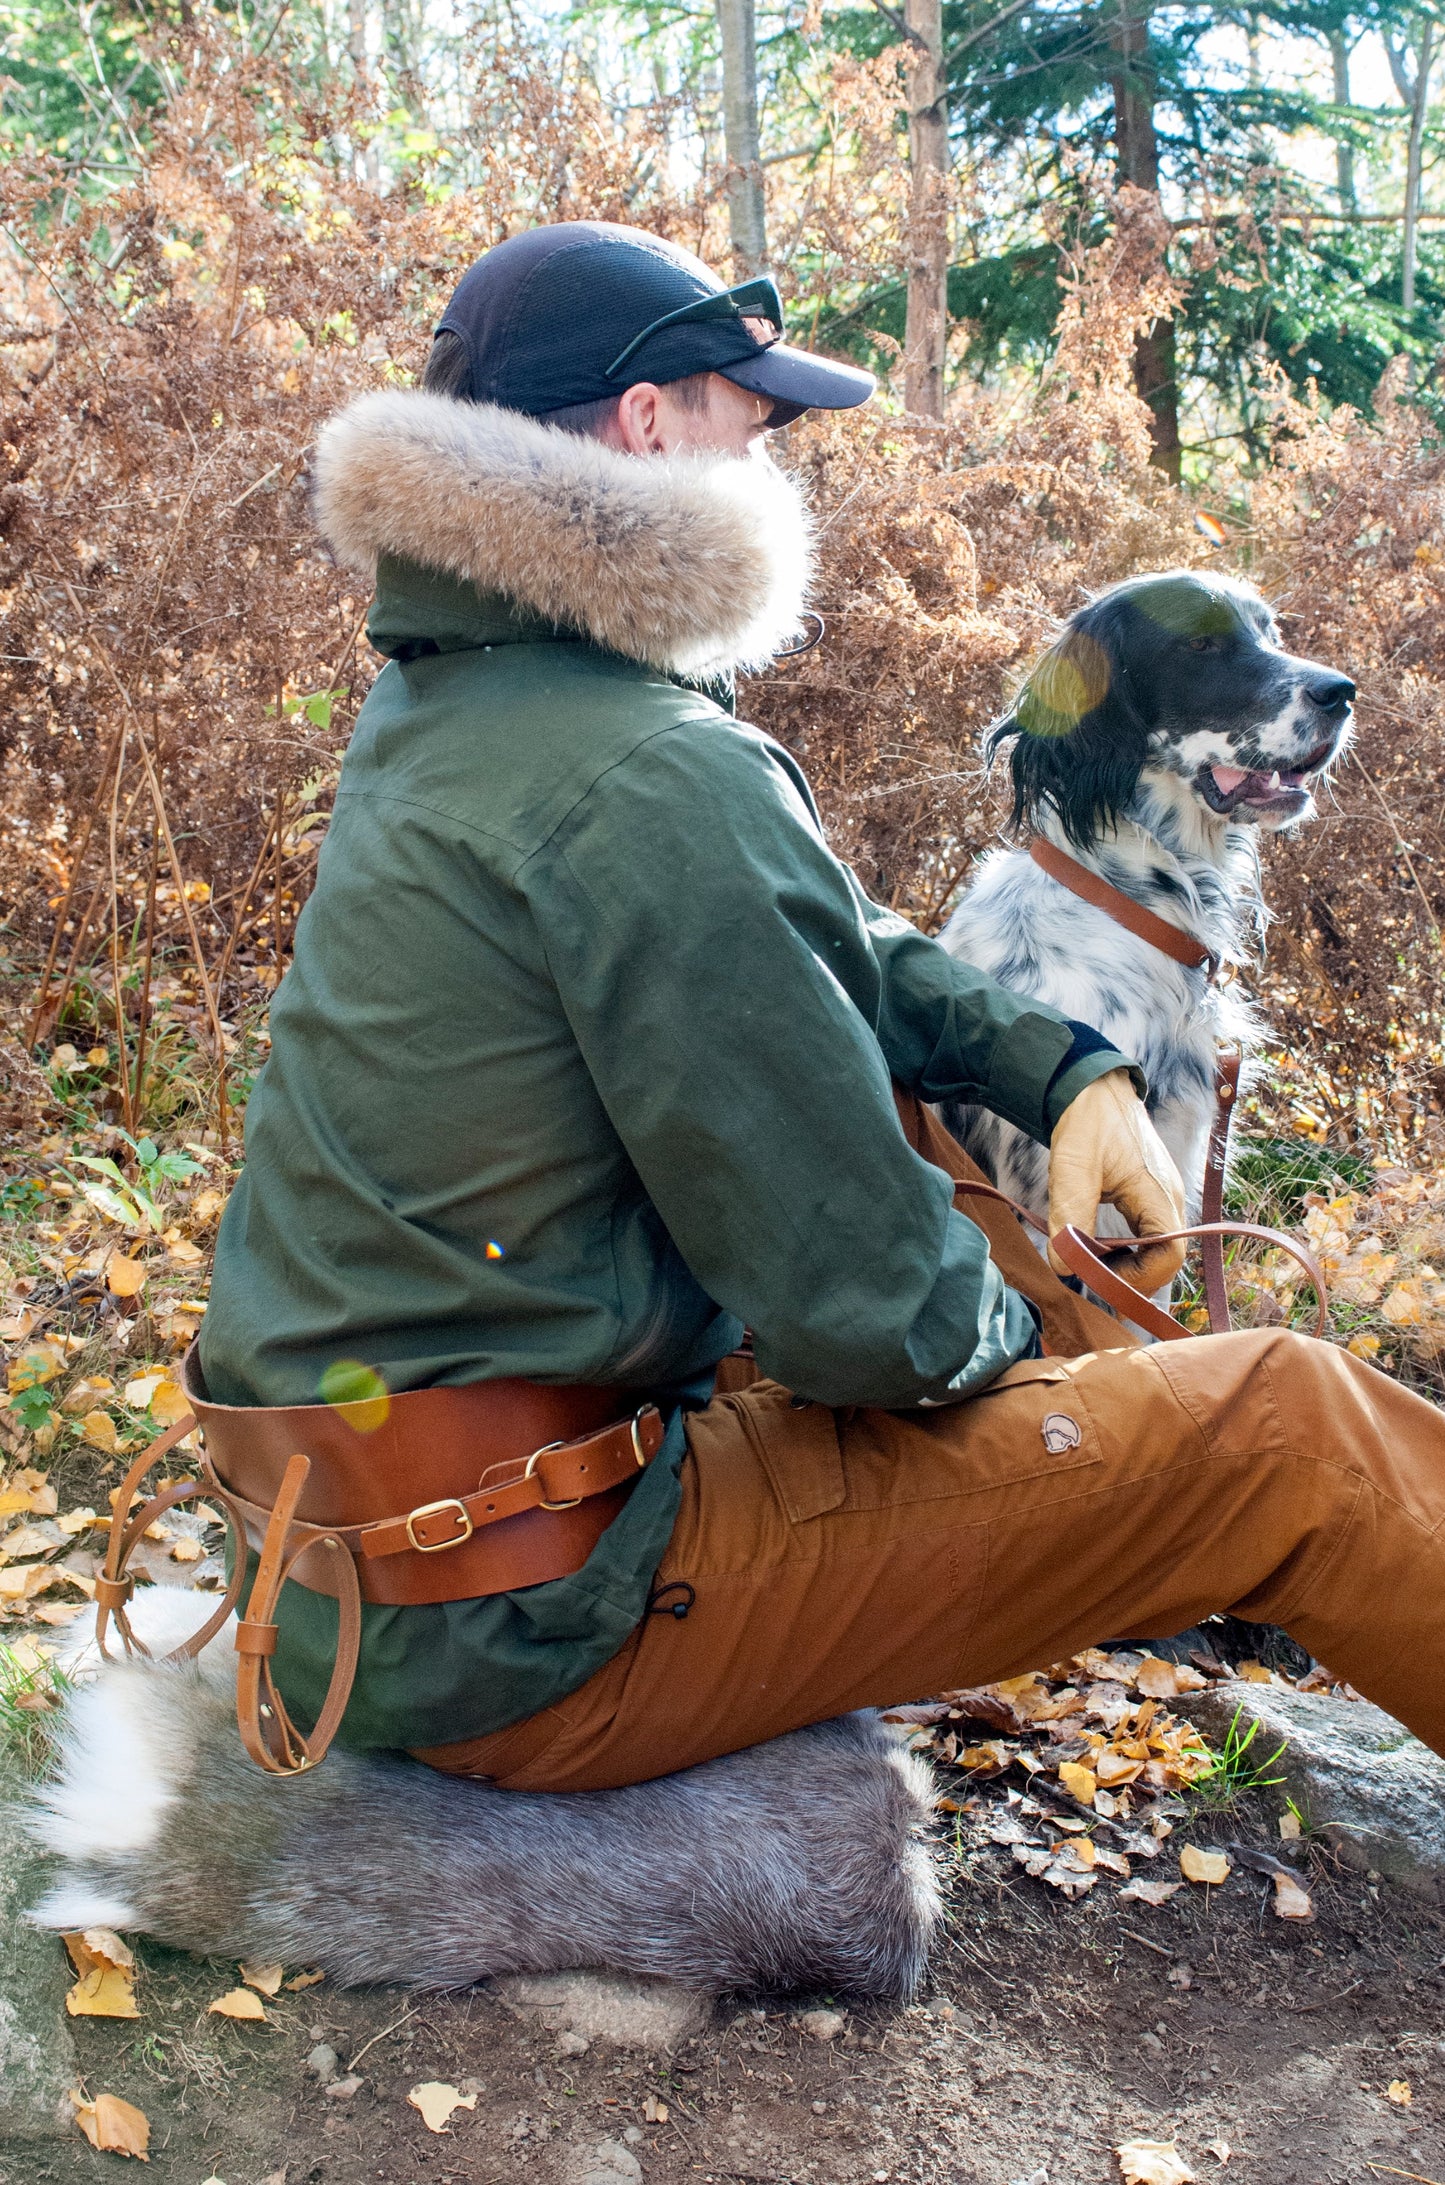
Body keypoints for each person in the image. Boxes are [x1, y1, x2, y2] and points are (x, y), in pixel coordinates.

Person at [197, 222, 1445, 1788]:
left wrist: (1059, 1070)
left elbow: (833, 942)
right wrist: (1058, 1360)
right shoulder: (649, 768)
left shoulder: (464, 699)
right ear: (650, 423)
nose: (772, 454)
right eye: (749, 413)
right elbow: (876, 1317)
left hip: (374, 1566)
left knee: (952, 1160)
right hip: (532, 1623)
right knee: (1288, 1426)